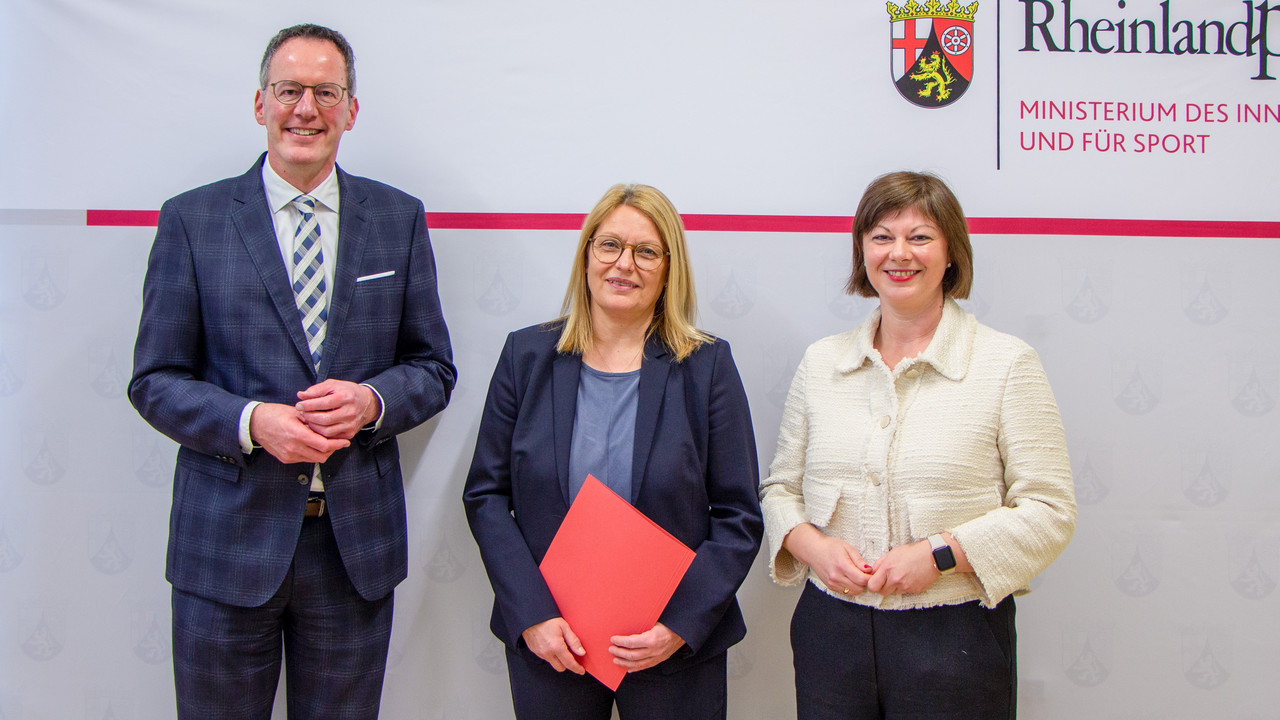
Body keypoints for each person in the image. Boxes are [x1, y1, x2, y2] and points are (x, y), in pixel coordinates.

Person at [128, 24, 455, 719]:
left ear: (351, 109)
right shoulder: (193, 221)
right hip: (224, 548)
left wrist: (371, 401)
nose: (306, 109)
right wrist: (251, 423)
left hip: (352, 552)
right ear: (260, 103)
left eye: (325, 92)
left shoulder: (397, 220)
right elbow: (154, 379)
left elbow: (432, 368)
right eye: (290, 90)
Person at [759, 171, 1076, 720]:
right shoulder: (821, 363)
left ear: (951, 252)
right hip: (831, 631)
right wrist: (813, 548)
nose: (899, 253)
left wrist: (940, 554)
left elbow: (1050, 511)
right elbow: (780, 487)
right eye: (882, 236)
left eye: (920, 237)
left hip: (956, 637)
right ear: (862, 252)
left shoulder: (1006, 364)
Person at [463, 184, 763, 719]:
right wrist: (531, 615)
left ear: (669, 268)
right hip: (554, 643)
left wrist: (679, 626)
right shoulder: (526, 355)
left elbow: (739, 516)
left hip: (671, 649)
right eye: (610, 246)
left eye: (646, 251)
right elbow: (486, 495)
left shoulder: (708, 366)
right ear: (586, 257)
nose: (625, 264)